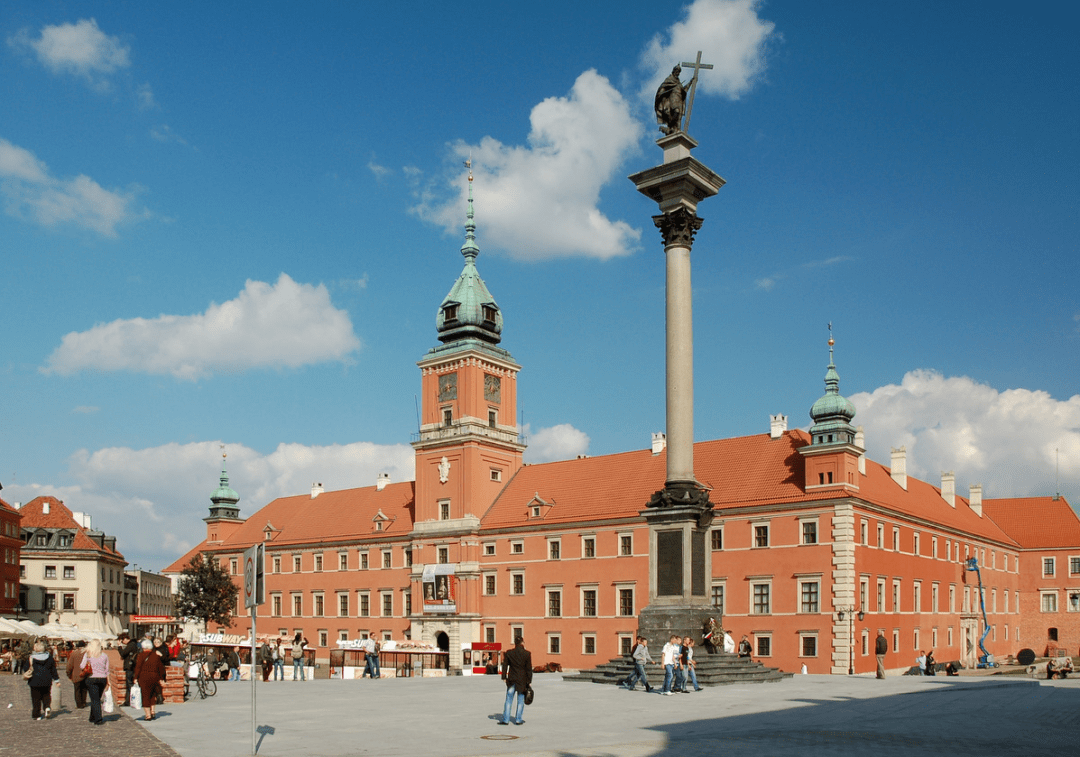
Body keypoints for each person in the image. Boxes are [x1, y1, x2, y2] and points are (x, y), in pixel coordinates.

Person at [500, 635, 532, 726]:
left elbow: (505, 665)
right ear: (522, 643)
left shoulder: (509, 653)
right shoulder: (527, 654)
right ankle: (518, 719)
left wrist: (504, 677)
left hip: (511, 679)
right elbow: (529, 669)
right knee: (520, 700)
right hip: (522, 680)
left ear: (515, 643)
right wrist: (529, 681)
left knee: (508, 699)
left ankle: (506, 720)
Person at [27, 640, 59, 720]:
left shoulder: (31, 658)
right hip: (47, 680)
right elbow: (53, 670)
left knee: (36, 698)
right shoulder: (49, 657)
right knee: (46, 695)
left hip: (34, 681)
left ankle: (36, 714)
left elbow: (25, 668)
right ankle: (47, 707)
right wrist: (56, 680)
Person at [134, 638, 166, 721]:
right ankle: (153, 712)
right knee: (153, 695)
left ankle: (148, 715)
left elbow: (138, 667)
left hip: (144, 677)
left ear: (144, 647)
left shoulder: (141, 655)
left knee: (145, 696)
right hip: (154, 677)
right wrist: (161, 678)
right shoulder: (156, 656)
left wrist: (135, 677)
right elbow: (161, 668)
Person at [654, 65, 688, 135]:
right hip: (671, 100)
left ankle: (675, 128)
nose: (677, 73)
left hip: (678, 101)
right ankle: (671, 126)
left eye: (679, 72)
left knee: (678, 115)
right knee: (675, 112)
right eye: (676, 71)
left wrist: (691, 82)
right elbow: (663, 88)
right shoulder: (670, 79)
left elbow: (683, 91)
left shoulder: (678, 82)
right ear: (674, 71)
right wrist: (661, 94)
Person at [84, 638, 110, 725]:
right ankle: (92, 716)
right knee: (96, 698)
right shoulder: (104, 655)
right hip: (102, 678)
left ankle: (98, 718)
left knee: (95, 699)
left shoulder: (88, 655)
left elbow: (82, 666)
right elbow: (107, 670)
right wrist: (108, 681)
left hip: (92, 678)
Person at [65, 641, 89, 709]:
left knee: (77, 690)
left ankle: (79, 704)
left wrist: (68, 674)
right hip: (85, 674)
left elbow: (69, 666)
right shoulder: (87, 653)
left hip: (76, 675)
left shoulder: (74, 654)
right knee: (84, 689)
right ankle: (83, 702)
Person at [117, 632, 138, 706]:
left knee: (129, 685)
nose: (123, 643)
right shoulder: (133, 644)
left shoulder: (131, 645)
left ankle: (128, 701)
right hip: (132, 667)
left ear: (125, 639)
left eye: (122, 641)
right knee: (130, 684)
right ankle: (129, 701)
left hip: (130, 667)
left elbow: (123, 653)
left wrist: (119, 646)